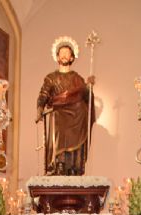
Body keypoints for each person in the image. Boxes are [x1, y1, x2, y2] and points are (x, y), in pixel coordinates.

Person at [36, 35, 95, 175]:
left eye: (67, 53)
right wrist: (39, 108)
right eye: (61, 53)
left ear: (72, 58)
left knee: (82, 110)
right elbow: (44, 94)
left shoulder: (77, 78)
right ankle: (59, 164)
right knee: (59, 123)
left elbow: (85, 96)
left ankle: (74, 166)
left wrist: (89, 86)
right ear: (57, 57)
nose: (64, 56)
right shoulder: (51, 77)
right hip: (59, 112)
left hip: (77, 113)